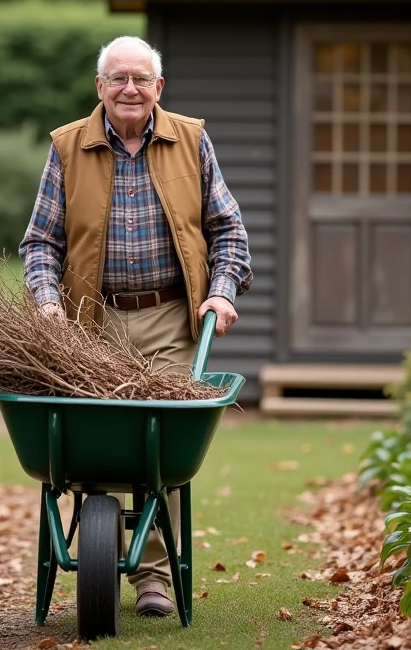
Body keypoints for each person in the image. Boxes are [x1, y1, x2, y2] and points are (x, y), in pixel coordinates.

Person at [19, 34, 252, 617]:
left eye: (140, 79)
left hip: (172, 319)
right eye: (118, 78)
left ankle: (153, 579)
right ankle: (102, 553)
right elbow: (40, 242)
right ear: (100, 87)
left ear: (158, 88)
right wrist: (48, 304)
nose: (129, 89)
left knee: (158, 451)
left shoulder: (191, 141)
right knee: (94, 446)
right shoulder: (68, 148)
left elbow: (229, 233)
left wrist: (220, 294)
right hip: (88, 326)